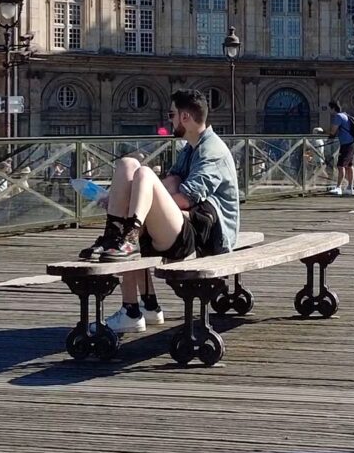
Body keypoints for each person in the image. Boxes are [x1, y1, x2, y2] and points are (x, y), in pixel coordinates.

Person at [80, 89, 243, 336]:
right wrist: (123, 200)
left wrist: (139, 204)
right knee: (128, 165)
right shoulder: (191, 147)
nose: (170, 120)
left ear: (185, 117)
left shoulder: (212, 151)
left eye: (172, 114)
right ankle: (141, 304)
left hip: (206, 237)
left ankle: (129, 250)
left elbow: (186, 199)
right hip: (185, 226)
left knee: (144, 176)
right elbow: (171, 183)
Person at [327, 99, 354, 195]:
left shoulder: (338, 116)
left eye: (329, 108)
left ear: (333, 108)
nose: (329, 111)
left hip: (345, 144)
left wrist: (324, 131)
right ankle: (350, 187)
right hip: (351, 142)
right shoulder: (345, 115)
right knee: (350, 165)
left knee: (341, 165)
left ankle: (338, 187)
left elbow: (333, 131)